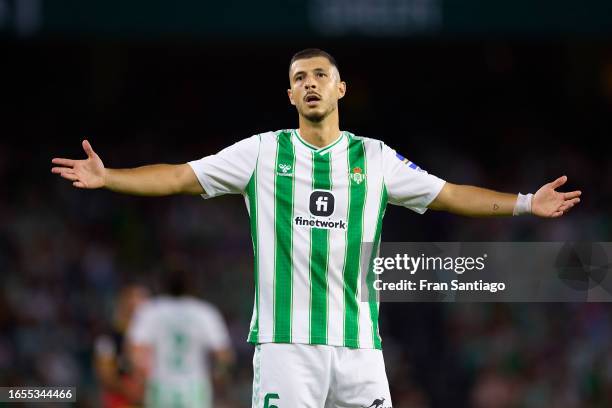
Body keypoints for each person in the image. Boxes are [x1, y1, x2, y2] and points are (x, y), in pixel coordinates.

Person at [52, 48, 581, 407]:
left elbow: (447, 194)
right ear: (289, 95)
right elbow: (179, 177)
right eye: (299, 78)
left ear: (340, 88)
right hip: (286, 347)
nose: (309, 84)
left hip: (359, 347)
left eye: (319, 76)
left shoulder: (373, 158)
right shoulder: (262, 152)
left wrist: (523, 203)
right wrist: (110, 177)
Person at [127, 269, 234, 408]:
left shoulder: (150, 311)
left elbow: (136, 353)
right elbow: (224, 355)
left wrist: (141, 381)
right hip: (195, 389)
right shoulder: (204, 312)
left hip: (160, 387)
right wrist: (218, 377)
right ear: (191, 286)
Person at [94, 284, 151, 408]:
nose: (137, 304)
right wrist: (130, 390)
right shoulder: (108, 338)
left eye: (141, 299)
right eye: (133, 299)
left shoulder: (152, 338)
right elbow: (105, 375)